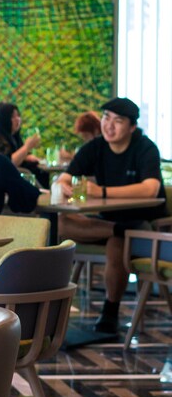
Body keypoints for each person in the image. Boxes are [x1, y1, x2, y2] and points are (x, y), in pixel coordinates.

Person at [57, 97, 168, 335]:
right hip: (109, 222)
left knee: (118, 244)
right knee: (61, 223)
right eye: (106, 118)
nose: (109, 125)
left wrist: (102, 192)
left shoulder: (145, 148)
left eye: (118, 121)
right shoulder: (95, 147)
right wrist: (64, 186)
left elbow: (151, 188)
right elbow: (64, 178)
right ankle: (118, 229)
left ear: (132, 127)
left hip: (143, 223)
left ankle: (110, 311)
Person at [0, 101, 49, 187]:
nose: (17, 119)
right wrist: (27, 147)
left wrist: (28, 157)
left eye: (18, 116)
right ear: (3, 119)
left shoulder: (14, 137)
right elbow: (8, 164)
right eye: (12, 117)